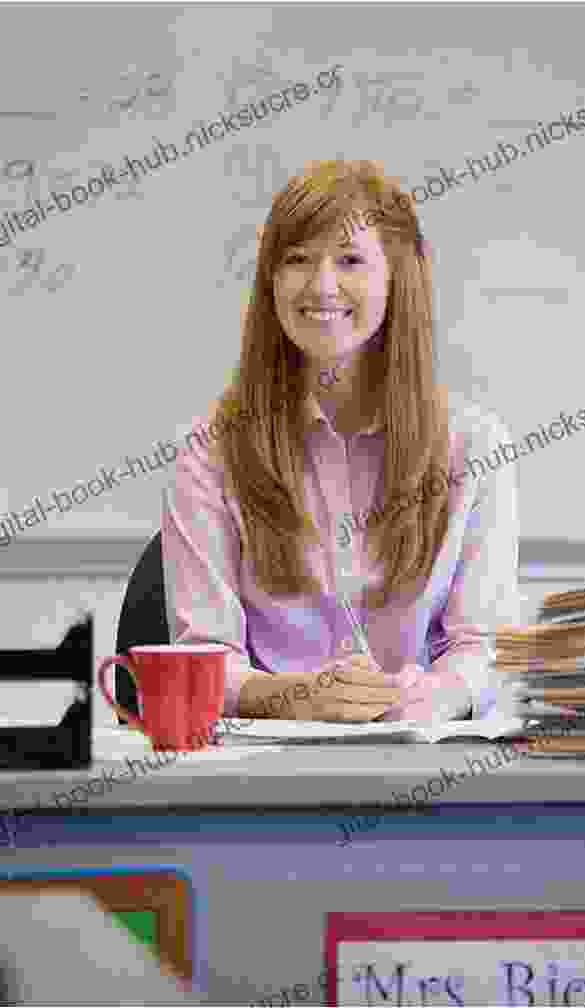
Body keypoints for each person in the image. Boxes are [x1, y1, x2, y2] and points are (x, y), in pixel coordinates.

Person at [161, 158, 520, 723]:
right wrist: (297, 697)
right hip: (262, 772)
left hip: (423, 766)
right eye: (297, 260)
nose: (321, 285)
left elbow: (487, 648)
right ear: (270, 281)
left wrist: (422, 697)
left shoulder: (473, 445)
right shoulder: (211, 450)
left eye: (350, 260)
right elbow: (204, 659)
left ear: (398, 277)